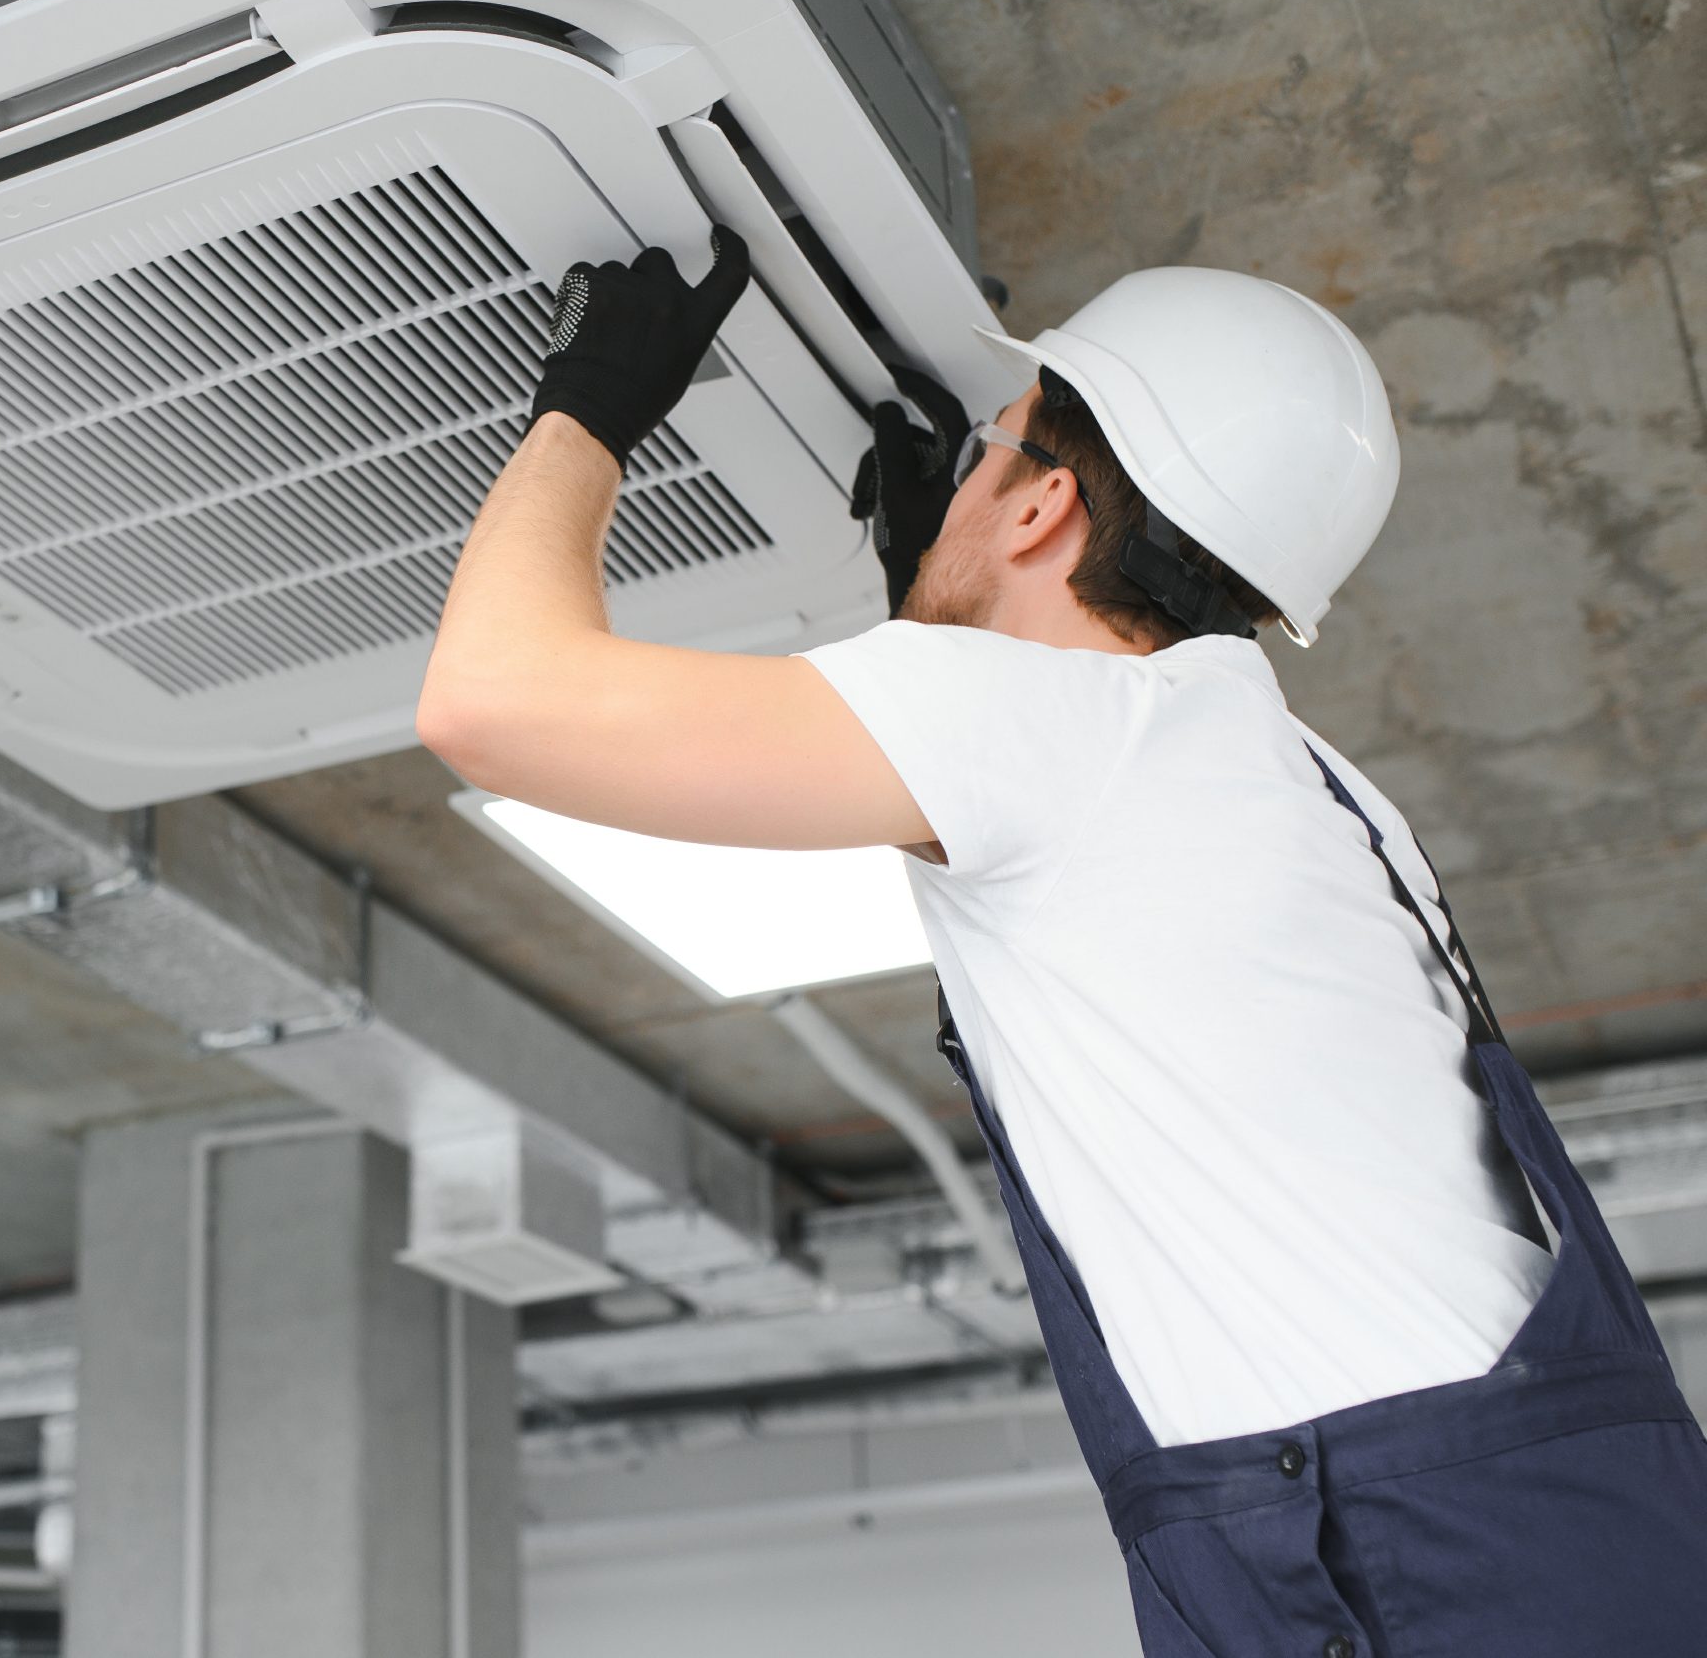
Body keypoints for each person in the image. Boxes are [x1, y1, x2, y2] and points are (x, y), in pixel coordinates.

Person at [417, 229, 1707, 1654]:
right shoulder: (1308, 781)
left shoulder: (1045, 734)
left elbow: (489, 702)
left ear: (1042, 511)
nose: (967, 486)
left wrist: (593, 402)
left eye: (987, 460)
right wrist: (944, 598)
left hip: (1404, 1552)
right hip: (1538, 1530)